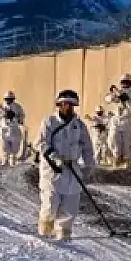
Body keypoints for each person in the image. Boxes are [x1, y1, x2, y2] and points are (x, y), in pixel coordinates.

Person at [36, 88, 97, 240]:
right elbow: (41, 143)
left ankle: (64, 233)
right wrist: (55, 158)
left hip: (72, 169)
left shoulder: (80, 125)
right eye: (65, 104)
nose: (68, 107)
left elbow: (87, 147)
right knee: (50, 204)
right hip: (53, 170)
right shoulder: (49, 122)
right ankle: (45, 230)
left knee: (70, 206)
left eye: (72, 104)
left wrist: (89, 165)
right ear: (59, 104)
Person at [105, 74, 131, 165]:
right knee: (112, 139)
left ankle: (127, 161)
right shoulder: (118, 92)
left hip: (128, 119)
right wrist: (115, 95)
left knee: (127, 142)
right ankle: (117, 156)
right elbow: (107, 99)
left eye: (127, 82)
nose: (125, 84)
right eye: (123, 82)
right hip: (116, 119)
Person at [0, 90, 27, 165]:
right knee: (5, 150)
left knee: (14, 151)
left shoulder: (18, 107)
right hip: (4, 130)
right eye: (7, 99)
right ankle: (4, 164)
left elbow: (22, 116)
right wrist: (4, 114)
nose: (9, 100)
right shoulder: (1, 106)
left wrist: (15, 116)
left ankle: (12, 165)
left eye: (10, 99)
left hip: (14, 130)